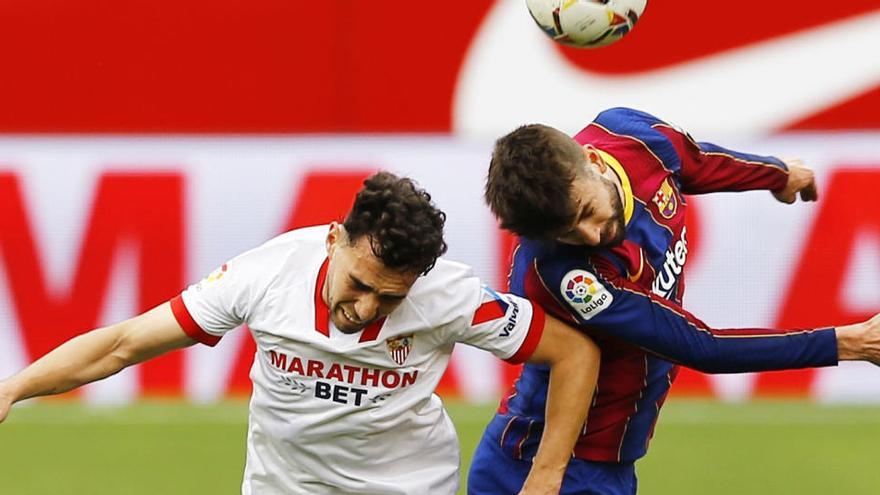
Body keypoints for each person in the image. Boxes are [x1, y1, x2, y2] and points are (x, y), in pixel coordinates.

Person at [0, 171, 601, 495]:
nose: (366, 309)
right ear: (333, 237)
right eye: (359, 283)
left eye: (390, 297)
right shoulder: (265, 276)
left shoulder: (448, 297)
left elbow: (574, 352)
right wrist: (13, 388)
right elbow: (123, 344)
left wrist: (545, 477)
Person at [469, 107, 880, 495]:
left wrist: (778, 174)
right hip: (551, 467)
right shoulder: (564, 274)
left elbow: (696, 162)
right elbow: (703, 347)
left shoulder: (633, 136)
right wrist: (847, 343)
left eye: (586, 211)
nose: (591, 236)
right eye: (568, 232)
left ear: (593, 160)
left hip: (594, 466)